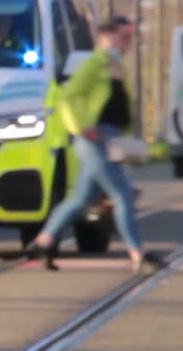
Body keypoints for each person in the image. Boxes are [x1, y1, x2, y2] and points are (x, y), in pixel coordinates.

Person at [25, 16, 166, 274]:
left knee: (81, 199)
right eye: (124, 37)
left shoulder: (116, 66)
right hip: (95, 139)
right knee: (122, 195)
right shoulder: (94, 63)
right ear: (107, 37)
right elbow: (68, 96)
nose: (128, 44)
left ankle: (43, 243)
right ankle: (138, 255)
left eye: (130, 38)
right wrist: (81, 127)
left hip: (109, 138)